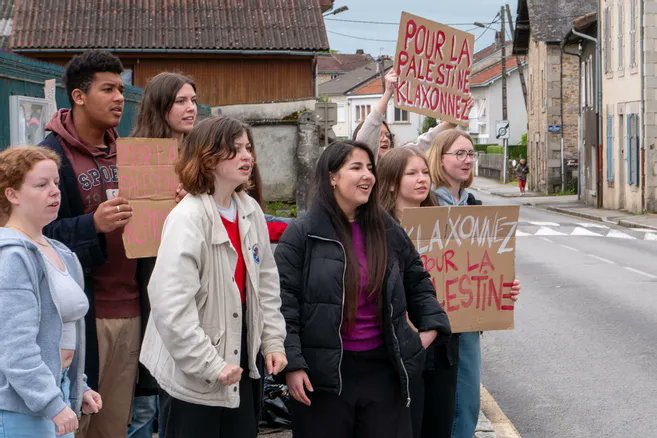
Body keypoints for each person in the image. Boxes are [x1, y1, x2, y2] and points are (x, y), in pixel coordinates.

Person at [274, 140, 451, 438]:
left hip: (384, 371)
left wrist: (430, 328)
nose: (367, 175)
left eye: (370, 168)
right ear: (332, 177)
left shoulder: (385, 227)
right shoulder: (302, 233)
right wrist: (293, 364)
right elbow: (283, 303)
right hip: (322, 379)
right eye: (356, 167)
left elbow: (418, 280)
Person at [139, 116, 287, 438]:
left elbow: (266, 285)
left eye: (248, 147)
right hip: (194, 372)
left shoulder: (250, 211)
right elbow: (171, 306)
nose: (248, 156)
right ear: (208, 157)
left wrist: (273, 341)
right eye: (236, 149)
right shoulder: (187, 218)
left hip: (241, 361)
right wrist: (210, 364)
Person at [38, 49, 143, 438]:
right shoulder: (50, 156)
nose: (119, 97)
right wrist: (91, 224)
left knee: (113, 426)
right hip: (79, 318)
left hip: (131, 310)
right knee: (72, 425)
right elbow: (35, 236)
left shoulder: (129, 153)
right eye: (108, 89)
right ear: (79, 96)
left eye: (121, 88)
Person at [0, 146, 102, 438]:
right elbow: (14, 348)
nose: (55, 192)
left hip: (57, 394)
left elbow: (65, 329)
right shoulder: (11, 255)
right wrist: (50, 403)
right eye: (41, 185)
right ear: (12, 195)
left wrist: (77, 386)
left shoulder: (62, 252)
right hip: (21, 408)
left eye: (56, 183)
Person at [426, 129, 520, 438]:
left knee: (466, 401)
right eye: (460, 154)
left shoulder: (475, 206)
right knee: (437, 404)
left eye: (470, 154)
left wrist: (503, 286)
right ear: (440, 158)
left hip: (466, 325)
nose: (468, 161)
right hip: (430, 322)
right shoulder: (424, 204)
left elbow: (489, 263)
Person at [127, 71, 198, 438]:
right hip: (147, 280)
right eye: (181, 101)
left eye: (193, 100)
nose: (191, 108)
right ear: (160, 106)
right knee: (145, 401)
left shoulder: (201, 154)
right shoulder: (139, 158)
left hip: (194, 282)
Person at [353, 69, 455, 161]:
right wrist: (388, 92)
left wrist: (452, 121)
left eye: (388, 135)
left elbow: (424, 144)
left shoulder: (398, 161)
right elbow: (368, 133)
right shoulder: (367, 165)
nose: (385, 139)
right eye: (378, 135)